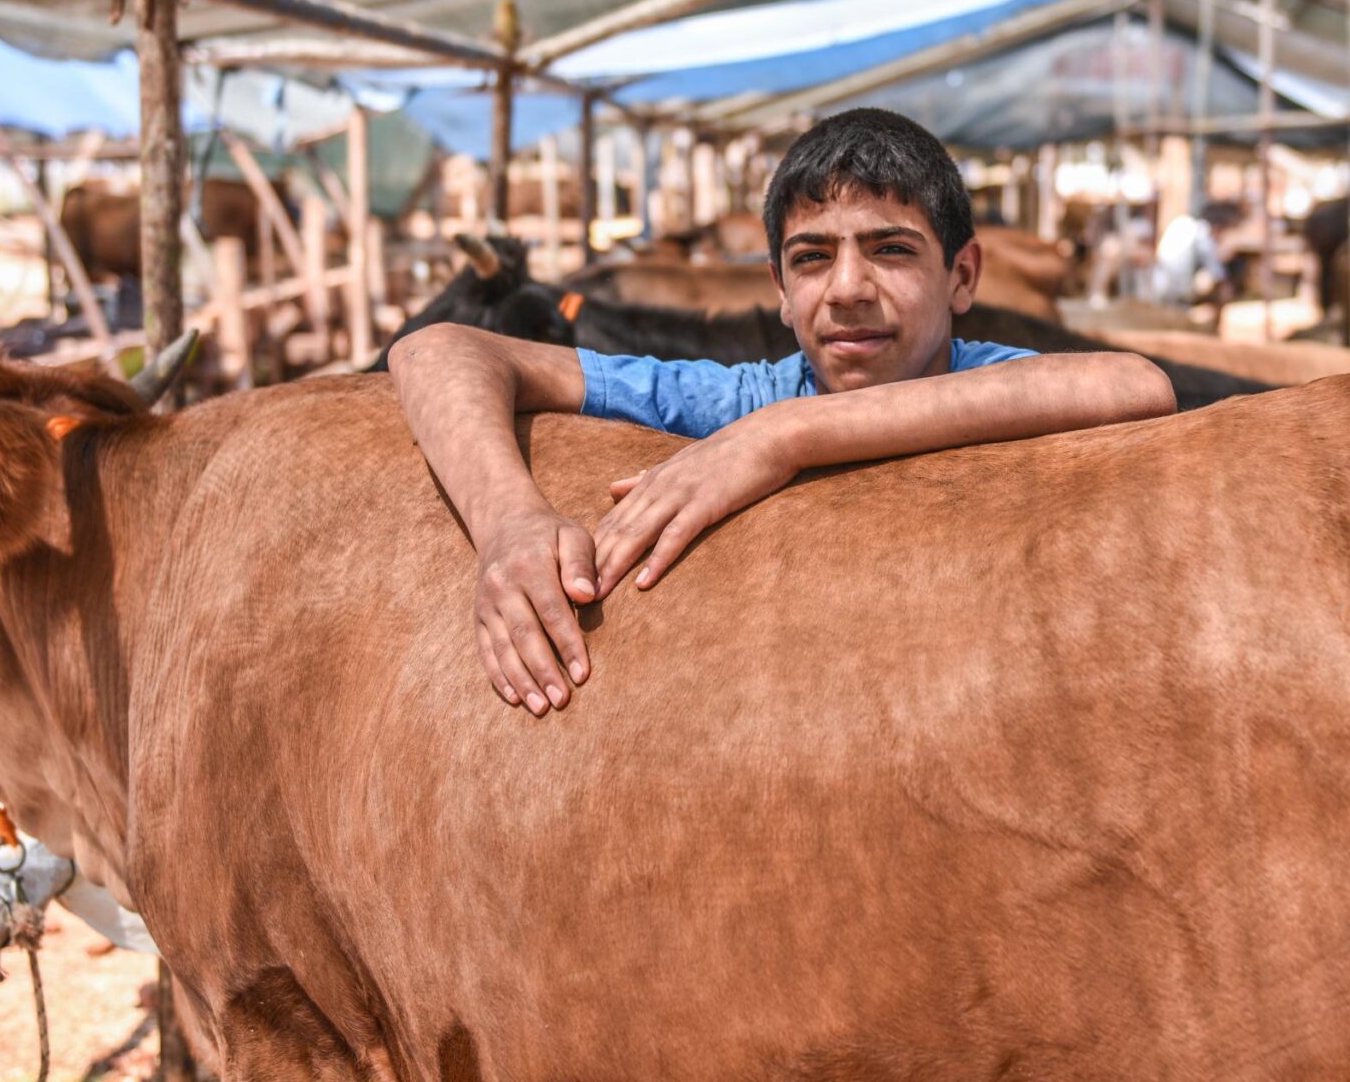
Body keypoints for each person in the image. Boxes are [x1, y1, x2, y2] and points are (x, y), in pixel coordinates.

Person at [391, 108, 1176, 716]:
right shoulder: (739, 395)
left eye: (892, 250)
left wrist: (787, 436)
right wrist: (508, 522)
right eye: (812, 259)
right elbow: (433, 352)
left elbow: (1138, 385)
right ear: (778, 290)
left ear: (962, 277)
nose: (847, 289)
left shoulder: (924, 388)